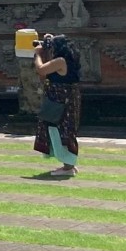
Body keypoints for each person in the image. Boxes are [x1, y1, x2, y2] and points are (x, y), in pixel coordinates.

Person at [33, 33, 81, 177]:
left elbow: (41, 69)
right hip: (62, 99)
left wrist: (37, 54)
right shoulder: (69, 58)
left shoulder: (61, 60)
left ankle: (68, 167)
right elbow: (44, 75)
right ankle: (69, 164)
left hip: (61, 100)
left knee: (62, 130)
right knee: (59, 129)